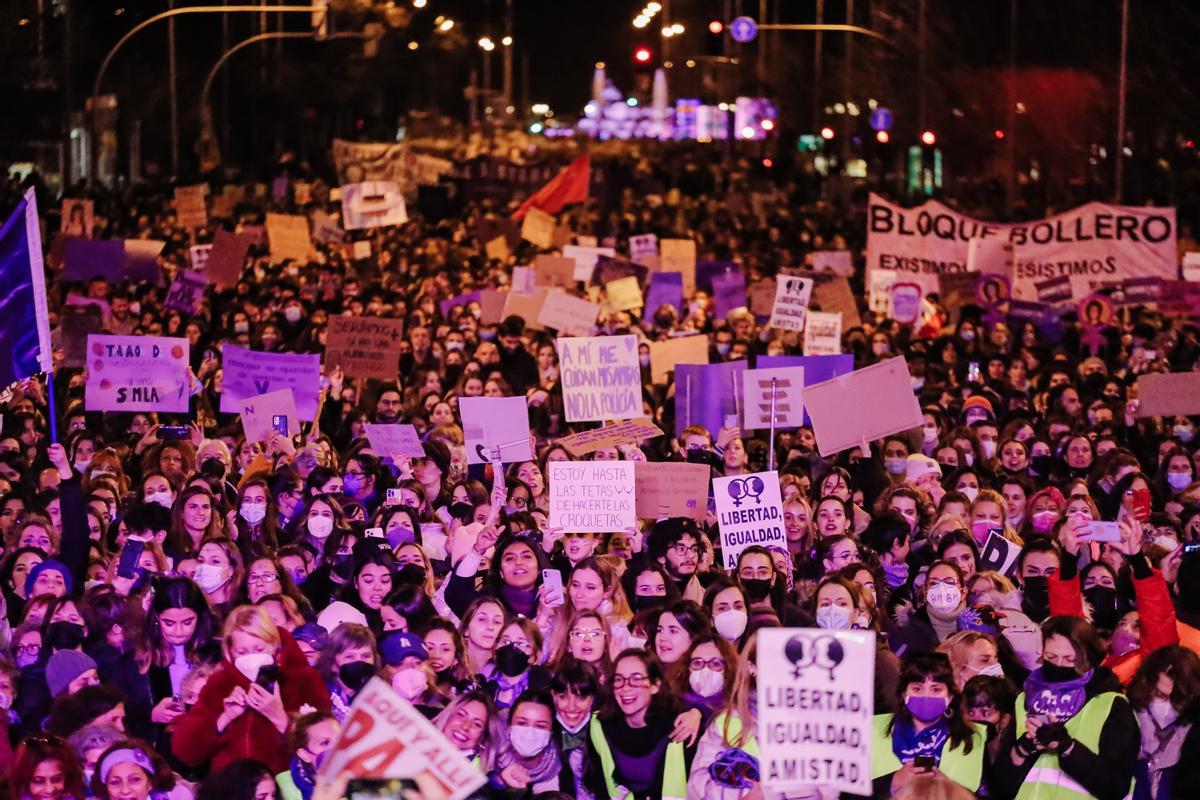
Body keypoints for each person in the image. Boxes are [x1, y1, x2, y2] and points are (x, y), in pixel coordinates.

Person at [992, 616, 1140, 800]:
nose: (1059, 665)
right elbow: (1000, 785)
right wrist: (1024, 748)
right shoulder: (1025, 699)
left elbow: (1115, 786)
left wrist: (1067, 747)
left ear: (1087, 659)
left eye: (1069, 659)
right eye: (1051, 657)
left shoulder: (1112, 705)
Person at [172, 606, 331, 773]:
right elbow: (185, 751)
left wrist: (280, 719)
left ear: (275, 646)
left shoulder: (303, 679)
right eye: (242, 652)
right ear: (230, 652)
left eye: (259, 649)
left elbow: (324, 749)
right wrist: (224, 719)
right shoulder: (220, 683)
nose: (251, 657)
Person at [870, 652, 987, 798]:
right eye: (917, 689)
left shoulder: (974, 737)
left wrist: (941, 786)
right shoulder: (870, 728)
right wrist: (891, 782)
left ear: (949, 697)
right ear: (903, 694)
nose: (927, 696)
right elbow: (846, 793)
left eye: (936, 689)